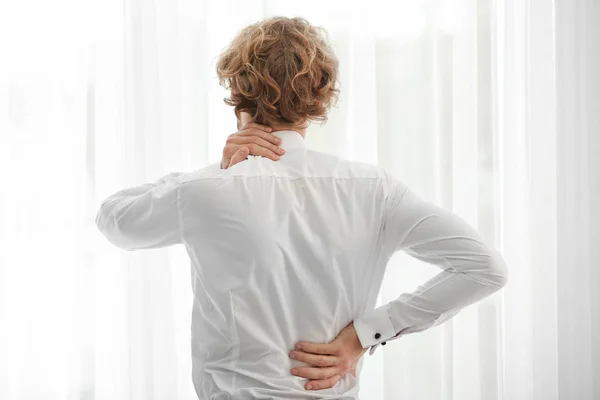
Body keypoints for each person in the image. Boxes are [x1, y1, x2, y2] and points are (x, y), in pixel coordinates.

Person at [95, 16, 508, 399]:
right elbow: (484, 268)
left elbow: (115, 221)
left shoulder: (205, 190)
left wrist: (213, 171)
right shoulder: (373, 189)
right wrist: (365, 335)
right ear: (321, 97)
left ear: (236, 93)